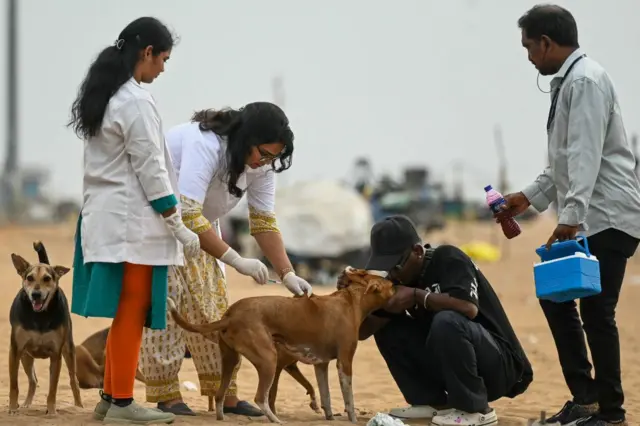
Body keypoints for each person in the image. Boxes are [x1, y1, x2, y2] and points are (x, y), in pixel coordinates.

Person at [502, 5, 640, 425]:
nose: (528, 57)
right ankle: (587, 398)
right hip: (588, 215)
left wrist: (571, 216)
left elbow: (584, 158)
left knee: (598, 313)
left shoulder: (585, 81)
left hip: (607, 216)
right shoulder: (571, 84)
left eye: (529, 47)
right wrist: (527, 198)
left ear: (546, 42)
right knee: (555, 295)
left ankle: (610, 412)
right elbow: (563, 164)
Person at [139, 103, 313, 416]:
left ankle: (225, 395)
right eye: (264, 153)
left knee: (215, 310)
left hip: (201, 228)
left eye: (273, 157)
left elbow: (263, 223)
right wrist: (236, 259)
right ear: (246, 139)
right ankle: (167, 395)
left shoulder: (261, 167)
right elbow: (187, 212)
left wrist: (287, 273)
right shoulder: (204, 144)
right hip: (161, 222)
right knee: (168, 303)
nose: (265, 161)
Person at [68, 17, 201, 424]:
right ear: (147, 53)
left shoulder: (108, 96)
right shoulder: (136, 101)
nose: (162, 68)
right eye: (162, 59)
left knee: (128, 307)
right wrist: (176, 221)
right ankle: (123, 402)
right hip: (133, 222)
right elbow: (152, 167)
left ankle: (111, 397)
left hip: (111, 216)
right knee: (133, 306)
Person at [340, 215, 532, 426]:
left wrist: (417, 296)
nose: (393, 273)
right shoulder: (397, 279)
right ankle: (431, 403)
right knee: (389, 328)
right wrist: (352, 296)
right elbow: (362, 332)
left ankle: (476, 411)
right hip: (453, 362)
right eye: (386, 268)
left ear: (418, 252)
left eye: (396, 265)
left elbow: (468, 308)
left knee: (447, 320)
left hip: (501, 366)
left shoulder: (449, 258)